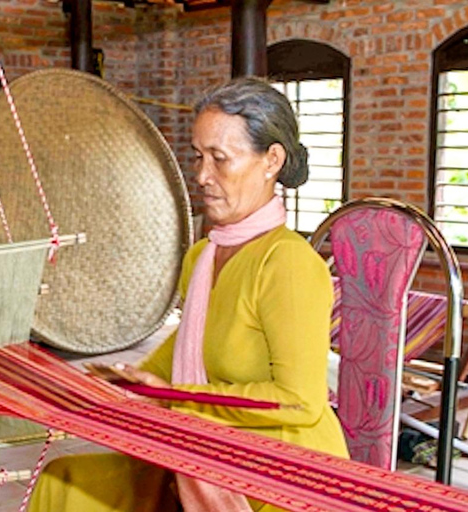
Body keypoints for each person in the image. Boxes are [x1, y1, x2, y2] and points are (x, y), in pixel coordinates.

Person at [27, 77, 349, 512]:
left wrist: (183, 402)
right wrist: (125, 380)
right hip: (211, 445)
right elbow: (189, 344)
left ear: (272, 160)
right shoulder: (203, 256)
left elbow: (299, 402)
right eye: (198, 157)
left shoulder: (288, 265)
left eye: (221, 159)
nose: (201, 176)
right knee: (63, 480)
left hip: (282, 472)